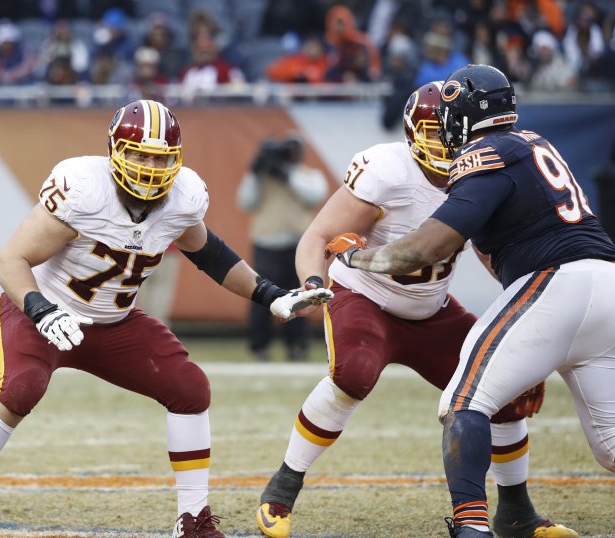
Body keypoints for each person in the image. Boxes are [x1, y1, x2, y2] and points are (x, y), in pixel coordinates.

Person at [0, 99, 331, 538]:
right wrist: (41, 310)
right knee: (21, 389)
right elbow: (9, 261)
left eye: (159, 157)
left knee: (189, 388)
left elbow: (211, 255)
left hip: (114, 321)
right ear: (114, 150)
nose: (149, 167)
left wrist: (269, 295)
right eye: (138, 154)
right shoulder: (84, 189)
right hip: (45, 312)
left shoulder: (182, 197)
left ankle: (192, 519)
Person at [256, 81, 576, 538]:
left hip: (433, 307)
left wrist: (530, 316)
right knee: (354, 374)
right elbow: (317, 236)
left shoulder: (481, 171)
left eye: (450, 133)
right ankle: (282, 488)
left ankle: (517, 513)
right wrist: (311, 283)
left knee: (505, 388)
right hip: (365, 296)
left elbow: (494, 256)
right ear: (410, 132)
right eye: (433, 132)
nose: (444, 144)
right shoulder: (387, 171)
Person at [326, 64, 615, 537]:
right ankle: (512, 516)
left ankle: (472, 528)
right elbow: (494, 249)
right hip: (606, 285)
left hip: (556, 285)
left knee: (464, 401)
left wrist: (358, 258)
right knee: (610, 447)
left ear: (462, 114)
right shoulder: (533, 143)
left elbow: (425, 248)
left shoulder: (483, 153)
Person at [237, 133, 327, 361]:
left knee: (298, 297)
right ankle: (260, 346)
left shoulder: (307, 175)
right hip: (267, 242)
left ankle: (297, 345)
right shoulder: (263, 175)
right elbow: (245, 201)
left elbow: (315, 194)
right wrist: (256, 172)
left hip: (298, 244)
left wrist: (287, 174)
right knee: (260, 296)